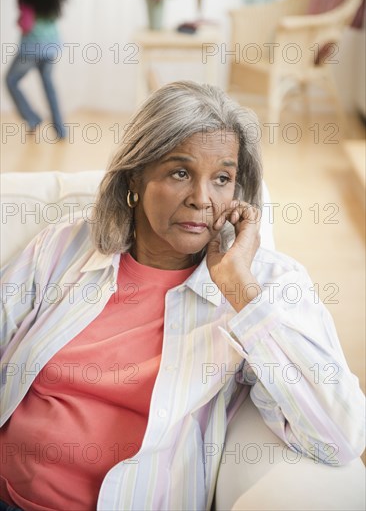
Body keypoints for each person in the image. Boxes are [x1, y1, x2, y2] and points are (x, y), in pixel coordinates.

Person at [0, 81, 364, 511]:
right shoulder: (64, 246)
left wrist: (238, 288)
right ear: (136, 174)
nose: (201, 200)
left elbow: (339, 437)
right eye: (180, 172)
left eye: (222, 179)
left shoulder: (263, 284)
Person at [6, 0, 67, 139]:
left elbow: (26, 24)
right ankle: (61, 130)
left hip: (32, 46)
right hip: (52, 44)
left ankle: (32, 119)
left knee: (10, 80)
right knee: (49, 85)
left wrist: (19, 21)